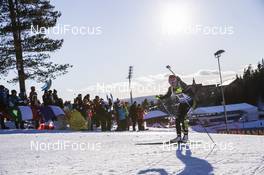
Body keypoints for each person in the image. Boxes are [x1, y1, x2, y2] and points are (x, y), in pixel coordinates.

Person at [157, 75, 194, 143]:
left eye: (173, 81)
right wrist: (160, 97)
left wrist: (184, 90)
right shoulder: (171, 88)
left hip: (189, 102)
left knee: (183, 119)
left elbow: (190, 90)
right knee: (177, 120)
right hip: (182, 103)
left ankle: (185, 137)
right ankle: (179, 137)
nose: (172, 83)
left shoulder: (181, 84)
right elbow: (168, 95)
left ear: (176, 80)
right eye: (170, 82)